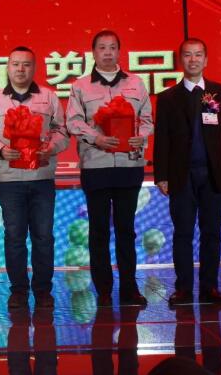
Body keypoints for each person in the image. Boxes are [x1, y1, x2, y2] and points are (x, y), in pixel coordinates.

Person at [66, 30, 153, 307]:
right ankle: (103, 289)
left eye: (112, 47)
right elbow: (73, 122)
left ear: (119, 51)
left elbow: (148, 119)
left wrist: (141, 135)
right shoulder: (80, 86)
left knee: (126, 230)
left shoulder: (136, 83)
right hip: (96, 165)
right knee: (99, 230)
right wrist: (97, 138)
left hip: (129, 164)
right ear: (93, 52)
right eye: (102, 48)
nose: (107, 52)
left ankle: (130, 288)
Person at [0, 46, 68, 309]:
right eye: (15, 64)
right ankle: (18, 290)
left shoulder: (48, 97)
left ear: (34, 68)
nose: (20, 69)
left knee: (44, 237)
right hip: (10, 180)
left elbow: (62, 131)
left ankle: (42, 290)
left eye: (26, 64)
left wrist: (51, 147)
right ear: (8, 67)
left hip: (41, 178)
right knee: (14, 237)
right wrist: (0, 149)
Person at [154, 38, 221, 306]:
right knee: (183, 233)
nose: (193, 60)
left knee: (212, 232)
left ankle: (209, 288)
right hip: (181, 175)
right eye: (188, 55)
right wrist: (161, 175)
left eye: (198, 55)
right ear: (181, 60)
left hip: (213, 174)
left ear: (206, 60)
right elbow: (162, 139)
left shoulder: (219, 93)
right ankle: (183, 289)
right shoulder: (168, 97)